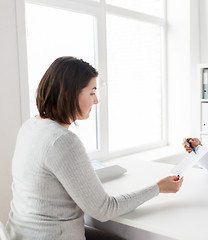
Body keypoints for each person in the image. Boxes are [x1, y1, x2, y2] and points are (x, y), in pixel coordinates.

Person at [6, 56, 183, 240]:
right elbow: (104, 210)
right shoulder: (62, 141)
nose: (96, 100)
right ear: (69, 94)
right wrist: (159, 188)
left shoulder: (30, 126)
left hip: (21, 233)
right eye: (92, 92)